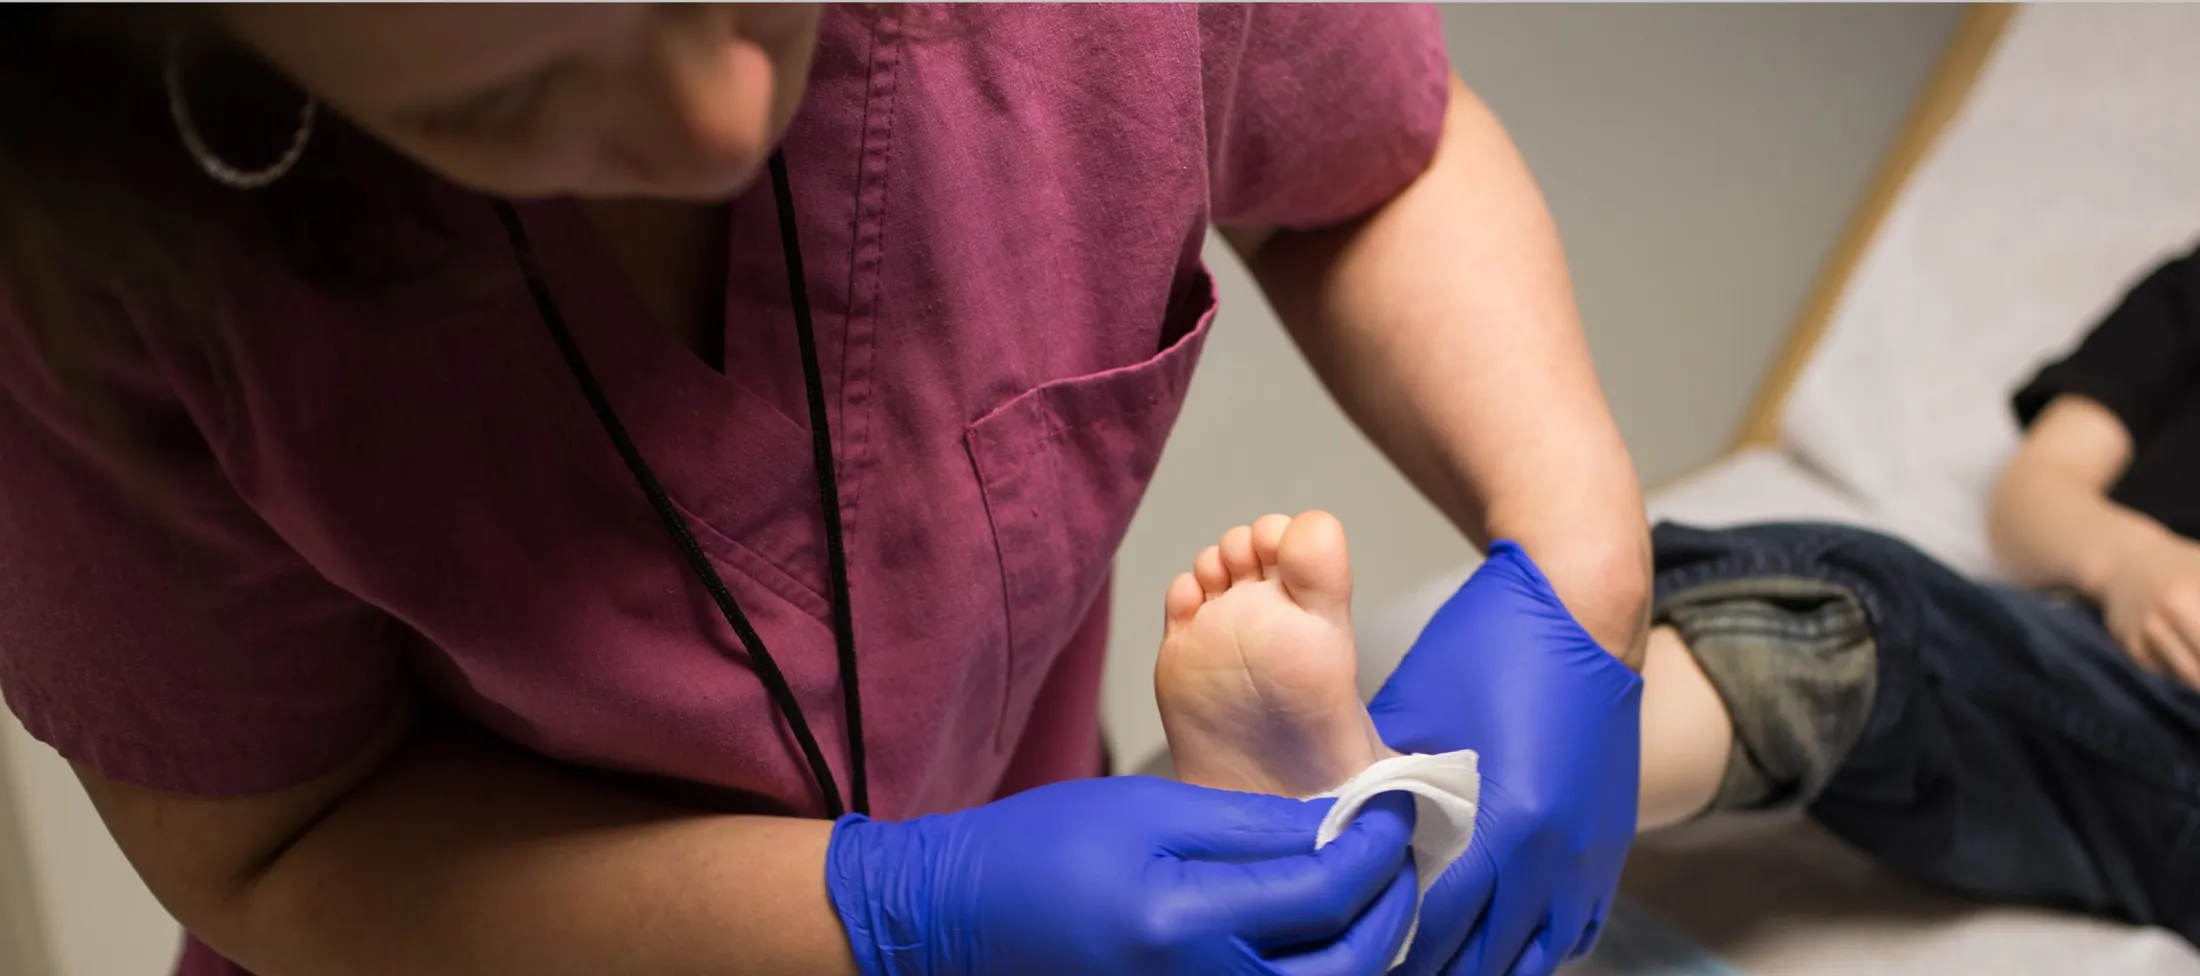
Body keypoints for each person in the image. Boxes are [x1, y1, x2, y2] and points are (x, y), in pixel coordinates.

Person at [0, 6, 1652, 976]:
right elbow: (278, 844)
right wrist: (894, 920)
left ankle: (1777, 665)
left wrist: (1584, 561)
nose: (717, 112)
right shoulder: (81, 270)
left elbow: (1371, 161)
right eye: (497, 95)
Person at [1626, 244, 2200, 942]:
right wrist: (2133, 560)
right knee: (1834, 614)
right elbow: (2035, 493)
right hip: (2128, 684)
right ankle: (1480, 830)